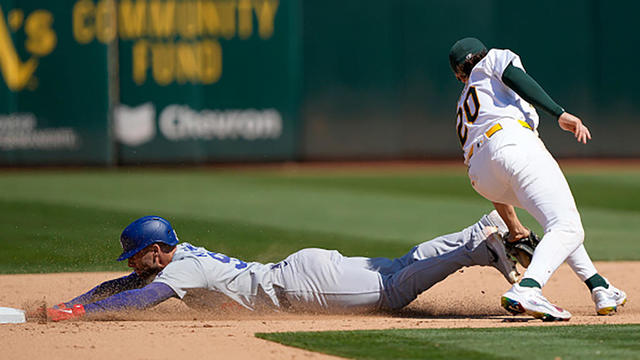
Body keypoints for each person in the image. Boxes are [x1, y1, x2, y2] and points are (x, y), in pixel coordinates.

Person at [45, 213, 519, 321]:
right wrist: (79, 300)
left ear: (153, 251)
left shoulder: (179, 273)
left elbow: (142, 296)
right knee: (394, 269)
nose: (132, 264)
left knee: (392, 292)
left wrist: (84, 314)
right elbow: (125, 283)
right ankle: (476, 236)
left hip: (303, 286)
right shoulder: (181, 254)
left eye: (135, 255)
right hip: (303, 270)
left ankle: (479, 247)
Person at [448, 37, 626, 321]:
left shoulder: (465, 104)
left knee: (554, 222)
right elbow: (516, 78)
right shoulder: (492, 59)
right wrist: (560, 113)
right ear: (480, 55)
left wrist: (514, 226)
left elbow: (491, 160)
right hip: (512, 143)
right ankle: (529, 288)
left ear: (459, 75)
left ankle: (599, 287)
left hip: (482, 177)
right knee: (568, 227)